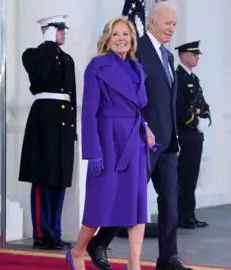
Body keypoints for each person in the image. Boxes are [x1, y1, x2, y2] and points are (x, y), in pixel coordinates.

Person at [86, 3, 193, 270]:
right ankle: (99, 242)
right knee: (126, 198)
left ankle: (168, 258)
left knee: (170, 200)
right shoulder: (136, 51)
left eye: (175, 25)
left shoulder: (168, 57)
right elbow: (129, 98)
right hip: (138, 140)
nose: (171, 29)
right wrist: (142, 127)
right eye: (167, 23)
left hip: (167, 142)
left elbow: (169, 102)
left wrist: (176, 137)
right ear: (152, 22)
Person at [65, 16, 153, 270]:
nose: (121, 38)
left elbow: (137, 108)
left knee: (136, 206)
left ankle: (133, 264)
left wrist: (146, 128)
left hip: (134, 143)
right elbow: (89, 112)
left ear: (132, 39)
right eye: (116, 34)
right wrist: (93, 151)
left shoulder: (138, 69)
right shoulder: (97, 67)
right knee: (101, 204)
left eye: (126, 34)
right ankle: (78, 252)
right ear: (107, 39)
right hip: (109, 143)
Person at [18, 14, 77, 250]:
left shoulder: (68, 59)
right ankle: (42, 234)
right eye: (59, 29)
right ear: (48, 30)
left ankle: (55, 231)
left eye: (63, 29)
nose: (64, 33)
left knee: (59, 180)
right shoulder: (34, 54)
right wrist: (48, 43)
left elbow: (72, 95)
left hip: (63, 124)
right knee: (43, 179)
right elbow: (40, 73)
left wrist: (73, 127)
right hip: (44, 121)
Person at [174, 41, 211, 229]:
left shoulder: (194, 79)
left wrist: (206, 119)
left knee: (192, 177)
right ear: (183, 55)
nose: (197, 57)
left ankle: (190, 214)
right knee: (182, 177)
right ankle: (181, 216)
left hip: (196, 136)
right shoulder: (177, 77)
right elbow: (180, 107)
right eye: (194, 53)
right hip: (184, 134)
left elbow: (203, 104)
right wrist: (195, 122)